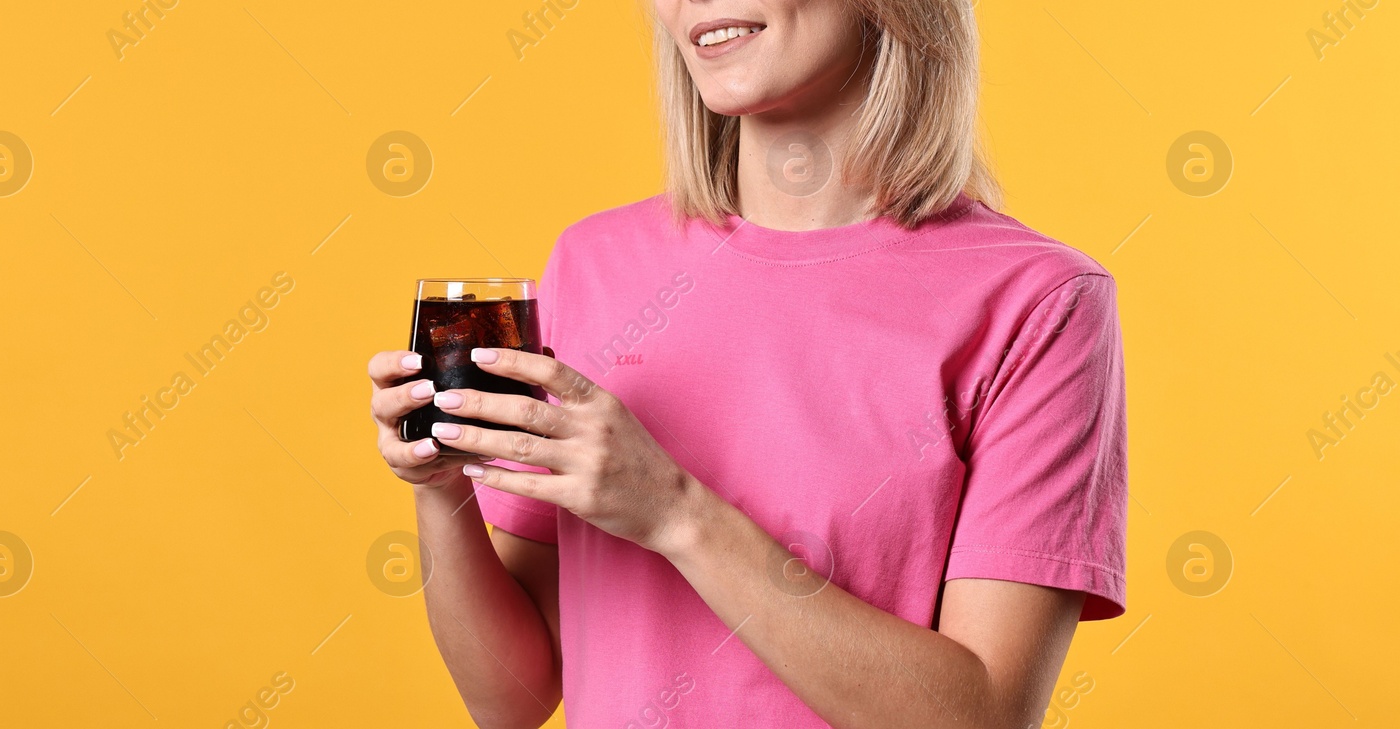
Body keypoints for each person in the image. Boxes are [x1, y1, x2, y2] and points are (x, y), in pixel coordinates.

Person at [367, 0, 1128, 726]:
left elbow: (986, 715)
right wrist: (442, 492)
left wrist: (676, 512)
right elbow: (511, 701)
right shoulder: (594, 265)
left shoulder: (1037, 302)